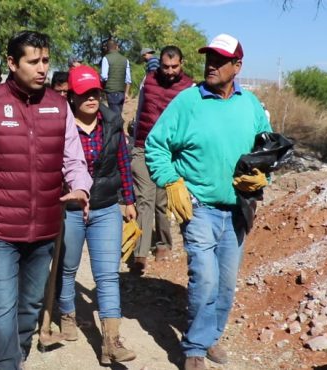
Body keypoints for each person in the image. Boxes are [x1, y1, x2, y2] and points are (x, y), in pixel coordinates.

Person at [0, 30, 92, 370]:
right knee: (1, 307)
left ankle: (16, 355)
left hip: (45, 230)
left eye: (46, 60)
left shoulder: (59, 107)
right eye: (33, 62)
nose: (42, 68)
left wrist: (81, 186)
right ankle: (5, 364)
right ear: (12, 64)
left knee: (30, 306)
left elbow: (74, 161)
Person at [145, 34, 272, 370]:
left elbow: (266, 151)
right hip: (199, 206)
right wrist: (171, 180)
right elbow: (156, 144)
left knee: (226, 281)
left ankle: (211, 334)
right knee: (205, 277)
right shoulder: (188, 102)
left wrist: (263, 178)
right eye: (208, 58)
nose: (211, 65)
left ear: (237, 66)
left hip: (239, 209)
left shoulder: (251, 104)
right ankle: (195, 349)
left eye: (220, 60)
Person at [57, 65, 137, 365]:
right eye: (83, 94)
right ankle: (67, 314)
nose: (91, 98)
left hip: (105, 207)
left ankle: (111, 341)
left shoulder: (112, 121)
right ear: (72, 96)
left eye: (95, 92)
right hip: (71, 208)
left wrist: (128, 200)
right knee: (68, 267)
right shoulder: (61, 124)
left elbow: (123, 162)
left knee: (107, 275)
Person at [130, 46, 194, 273]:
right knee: (144, 200)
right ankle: (139, 254)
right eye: (165, 67)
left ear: (182, 64)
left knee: (162, 202)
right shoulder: (147, 81)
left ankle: (164, 244)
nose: (169, 71)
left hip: (169, 152)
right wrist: (134, 140)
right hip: (142, 147)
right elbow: (139, 111)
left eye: (174, 66)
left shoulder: (189, 88)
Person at [100, 38, 131, 117]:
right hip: (121, 92)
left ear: (107, 48)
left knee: (114, 117)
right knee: (119, 114)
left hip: (111, 92)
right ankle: (120, 128)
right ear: (116, 47)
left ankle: (119, 129)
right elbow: (128, 79)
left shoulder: (106, 58)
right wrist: (126, 93)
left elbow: (104, 77)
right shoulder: (125, 60)